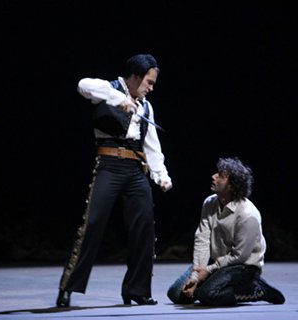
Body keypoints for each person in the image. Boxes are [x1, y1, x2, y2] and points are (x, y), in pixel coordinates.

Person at [56, 53, 173, 307]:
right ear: (134, 77)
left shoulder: (145, 106)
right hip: (109, 165)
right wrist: (118, 98)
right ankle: (68, 287)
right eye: (148, 83)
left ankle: (137, 290)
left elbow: (152, 145)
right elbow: (83, 84)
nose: (151, 88)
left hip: (135, 168)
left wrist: (161, 175)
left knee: (144, 226)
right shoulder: (108, 89)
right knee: (93, 223)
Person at [167, 157, 285, 306]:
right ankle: (209, 286)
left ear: (231, 186)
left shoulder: (248, 215)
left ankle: (257, 289)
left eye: (220, 176)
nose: (213, 176)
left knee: (207, 295)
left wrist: (208, 271)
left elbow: (239, 256)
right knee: (176, 294)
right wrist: (197, 275)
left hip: (243, 267)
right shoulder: (209, 203)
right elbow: (202, 239)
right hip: (216, 263)